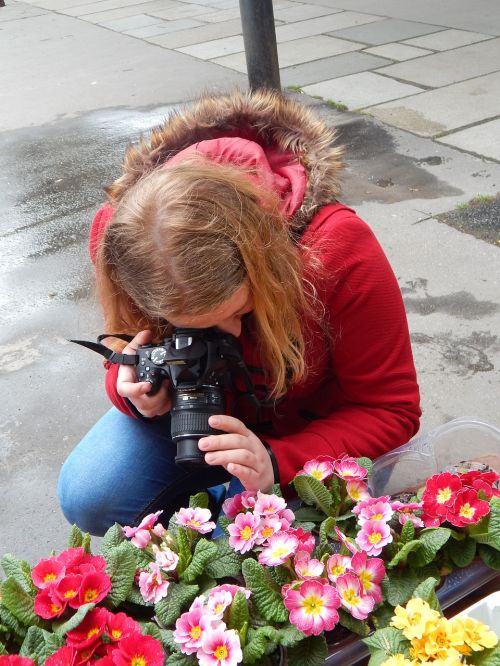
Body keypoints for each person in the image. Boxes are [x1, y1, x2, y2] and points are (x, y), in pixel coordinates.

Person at [57, 89, 421, 536]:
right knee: (89, 494)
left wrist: (276, 461)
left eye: (238, 312)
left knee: (258, 539)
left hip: (311, 434)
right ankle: (210, 510)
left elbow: (390, 410)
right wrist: (130, 390)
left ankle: (217, 509)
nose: (228, 333)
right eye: (187, 326)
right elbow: (124, 347)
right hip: (191, 422)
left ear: (265, 262)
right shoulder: (123, 243)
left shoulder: (338, 249)